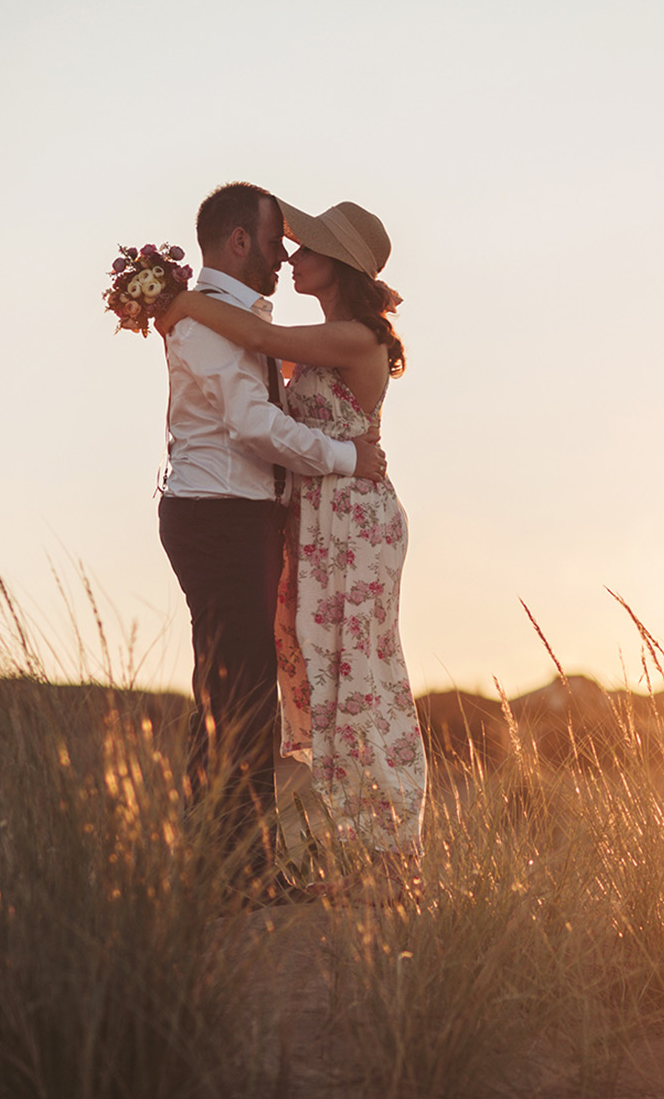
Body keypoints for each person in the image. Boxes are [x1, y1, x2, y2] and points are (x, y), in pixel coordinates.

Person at [160, 198, 425, 904]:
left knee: (364, 677)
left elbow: (249, 334)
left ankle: (391, 864)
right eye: (287, 241)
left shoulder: (352, 337)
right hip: (320, 522)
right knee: (331, 682)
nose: (289, 255)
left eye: (304, 247)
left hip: (356, 524)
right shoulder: (329, 332)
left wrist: (176, 298)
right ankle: (347, 861)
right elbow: (252, 361)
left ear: (335, 266)